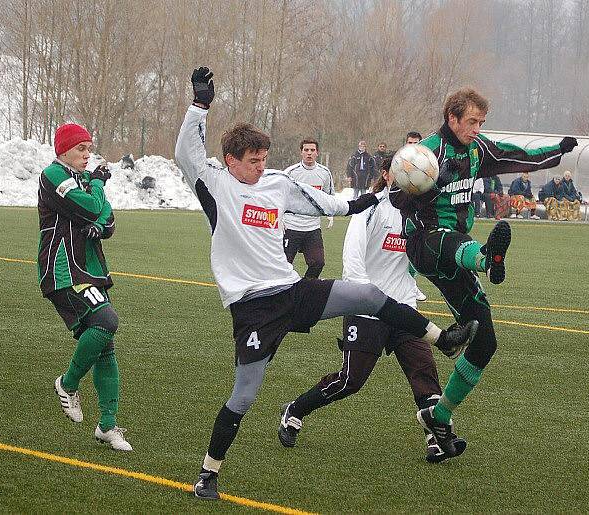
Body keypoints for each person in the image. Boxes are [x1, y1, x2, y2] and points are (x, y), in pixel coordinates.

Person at [176, 67, 477, 500]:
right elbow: (186, 152)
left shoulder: (278, 183)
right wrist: (199, 105)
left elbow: (330, 203)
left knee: (370, 295)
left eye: (264, 158)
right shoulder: (215, 186)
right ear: (230, 161)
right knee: (243, 396)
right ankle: (208, 474)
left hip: (292, 291)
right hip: (253, 309)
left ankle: (442, 338)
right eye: (253, 160)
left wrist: (375, 197)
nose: (262, 167)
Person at [389, 87, 576, 459]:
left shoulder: (478, 148)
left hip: (456, 256)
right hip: (425, 243)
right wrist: (428, 184)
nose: (477, 128)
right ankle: (488, 258)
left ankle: (439, 417)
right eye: (471, 122)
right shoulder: (426, 152)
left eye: (481, 122)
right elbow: (397, 197)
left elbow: (518, 156)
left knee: (485, 340)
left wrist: (558, 149)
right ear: (452, 119)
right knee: (454, 239)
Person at [278, 155, 458, 463]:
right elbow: (352, 260)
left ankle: (438, 438)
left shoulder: (418, 213)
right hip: (367, 308)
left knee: (424, 372)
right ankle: (294, 410)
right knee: (351, 381)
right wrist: (366, 298)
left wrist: (442, 183)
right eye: (404, 172)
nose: (411, 178)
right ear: (388, 175)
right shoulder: (369, 208)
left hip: (403, 309)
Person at [39, 123, 130, 452]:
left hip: (90, 269)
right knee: (107, 321)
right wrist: (97, 186)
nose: (87, 153)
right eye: (81, 148)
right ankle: (67, 383)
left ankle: (107, 425)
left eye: (89, 147)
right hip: (64, 270)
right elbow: (94, 207)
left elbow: (108, 221)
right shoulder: (53, 175)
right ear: (63, 150)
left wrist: (98, 206)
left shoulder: (83, 179)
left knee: (105, 344)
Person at [283, 138, 333, 279]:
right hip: (291, 226)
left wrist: (330, 214)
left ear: (317, 153)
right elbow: (280, 196)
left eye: (312, 150)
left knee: (318, 263)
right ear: (301, 152)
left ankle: (305, 290)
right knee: (283, 265)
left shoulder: (324, 173)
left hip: (312, 228)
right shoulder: (290, 172)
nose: (309, 153)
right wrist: (280, 217)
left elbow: (329, 196)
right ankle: (282, 295)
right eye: (306, 150)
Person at [403, 131, 427, 302]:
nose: (413, 146)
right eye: (410, 143)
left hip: (419, 213)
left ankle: (411, 283)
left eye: (416, 143)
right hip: (399, 212)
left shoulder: (427, 164)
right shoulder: (399, 163)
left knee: (414, 248)